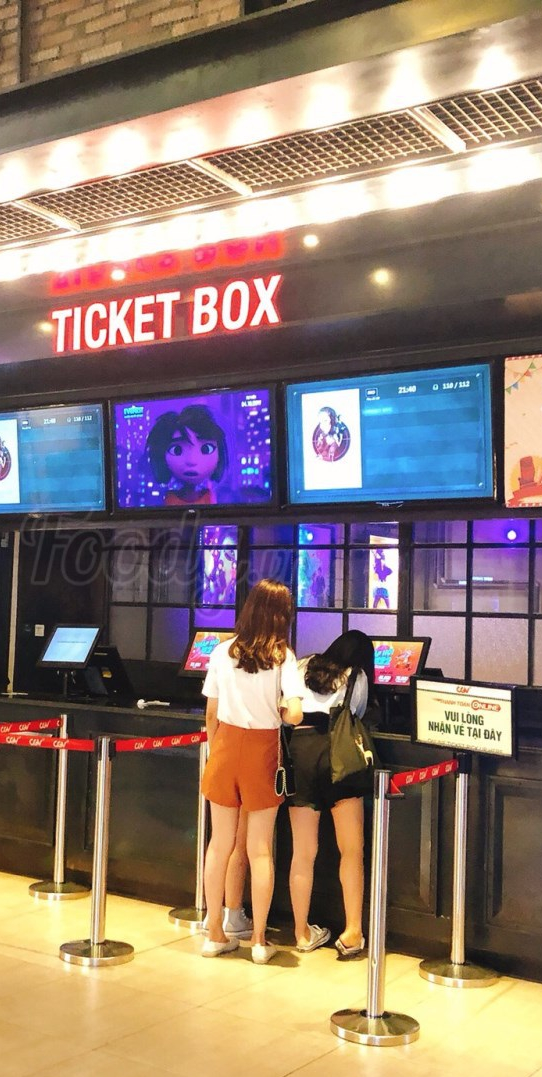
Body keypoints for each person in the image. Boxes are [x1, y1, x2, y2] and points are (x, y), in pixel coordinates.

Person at [200, 579, 303, 963]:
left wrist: (216, 750)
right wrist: (279, 710)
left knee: (219, 844)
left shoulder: (222, 651)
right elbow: (295, 713)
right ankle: (259, 940)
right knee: (260, 850)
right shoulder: (283, 657)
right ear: (282, 615)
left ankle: (214, 932)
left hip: (225, 748)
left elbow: (211, 712)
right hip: (263, 752)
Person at [286, 630, 376, 960]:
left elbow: (288, 710)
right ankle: (352, 932)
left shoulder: (303, 665)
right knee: (351, 850)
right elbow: (357, 715)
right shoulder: (358, 677)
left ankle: (301, 933)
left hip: (301, 752)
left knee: (302, 852)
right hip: (339, 755)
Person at [146, 405, 227, 506]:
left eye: (206, 449)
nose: (192, 461)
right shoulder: (170, 498)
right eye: (177, 450)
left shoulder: (209, 496)